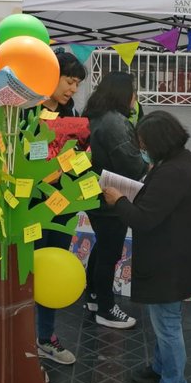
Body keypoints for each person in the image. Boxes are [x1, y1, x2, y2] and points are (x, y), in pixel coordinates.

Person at [101, 112, 191, 383]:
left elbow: (144, 219)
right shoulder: (179, 160)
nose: (142, 148)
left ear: (159, 142)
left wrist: (118, 200)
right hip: (172, 257)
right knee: (163, 321)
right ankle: (160, 368)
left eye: (144, 143)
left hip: (169, 262)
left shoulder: (174, 171)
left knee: (168, 325)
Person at [32, 49, 93, 367]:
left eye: (76, 84)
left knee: (51, 272)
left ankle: (46, 338)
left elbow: (82, 159)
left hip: (63, 206)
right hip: (29, 207)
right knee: (28, 273)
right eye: (69, 81)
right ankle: (20, 340)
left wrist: (81, 158)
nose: (72, 89)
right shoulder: (27, 111)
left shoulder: (73, 114)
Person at [82, 71, 143, 330]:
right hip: (112, 195)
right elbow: (132, 164)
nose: (135, 98)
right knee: (110, 251)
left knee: (102, 245)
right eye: (133, 92)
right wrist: (146, 163)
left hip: (92, 192)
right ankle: (106, 309)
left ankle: (94, 296)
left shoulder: (92, 116)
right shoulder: (114, 122)